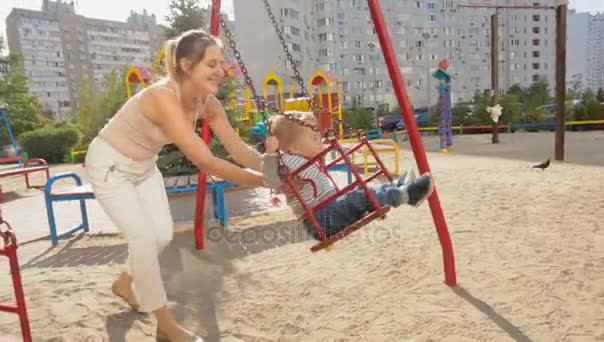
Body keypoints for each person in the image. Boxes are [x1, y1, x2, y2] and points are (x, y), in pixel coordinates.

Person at [85, 29, 266, 342]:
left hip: (143, 168)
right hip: (109, 165)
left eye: (222, 64)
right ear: (186, 65)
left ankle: (125, 283)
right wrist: (264, 182)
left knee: (162, 234)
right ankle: (168, 328)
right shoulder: (162, 97)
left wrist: (277, 169)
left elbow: (238, 149)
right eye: (212, 64)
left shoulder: (207, 104)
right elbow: (207, 162)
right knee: (143, 237)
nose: (221, 71)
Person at [261, 111, 434, 240]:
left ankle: (397, 188)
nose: (318, 141)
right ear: (292, 147)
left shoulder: (307, 159)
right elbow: (269, 179)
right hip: (321, 220)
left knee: (362, 192)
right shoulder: (285, 161)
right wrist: (270, 153)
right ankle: (403, 194)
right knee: (357, 196)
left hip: (330, 209)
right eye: (314, 137)